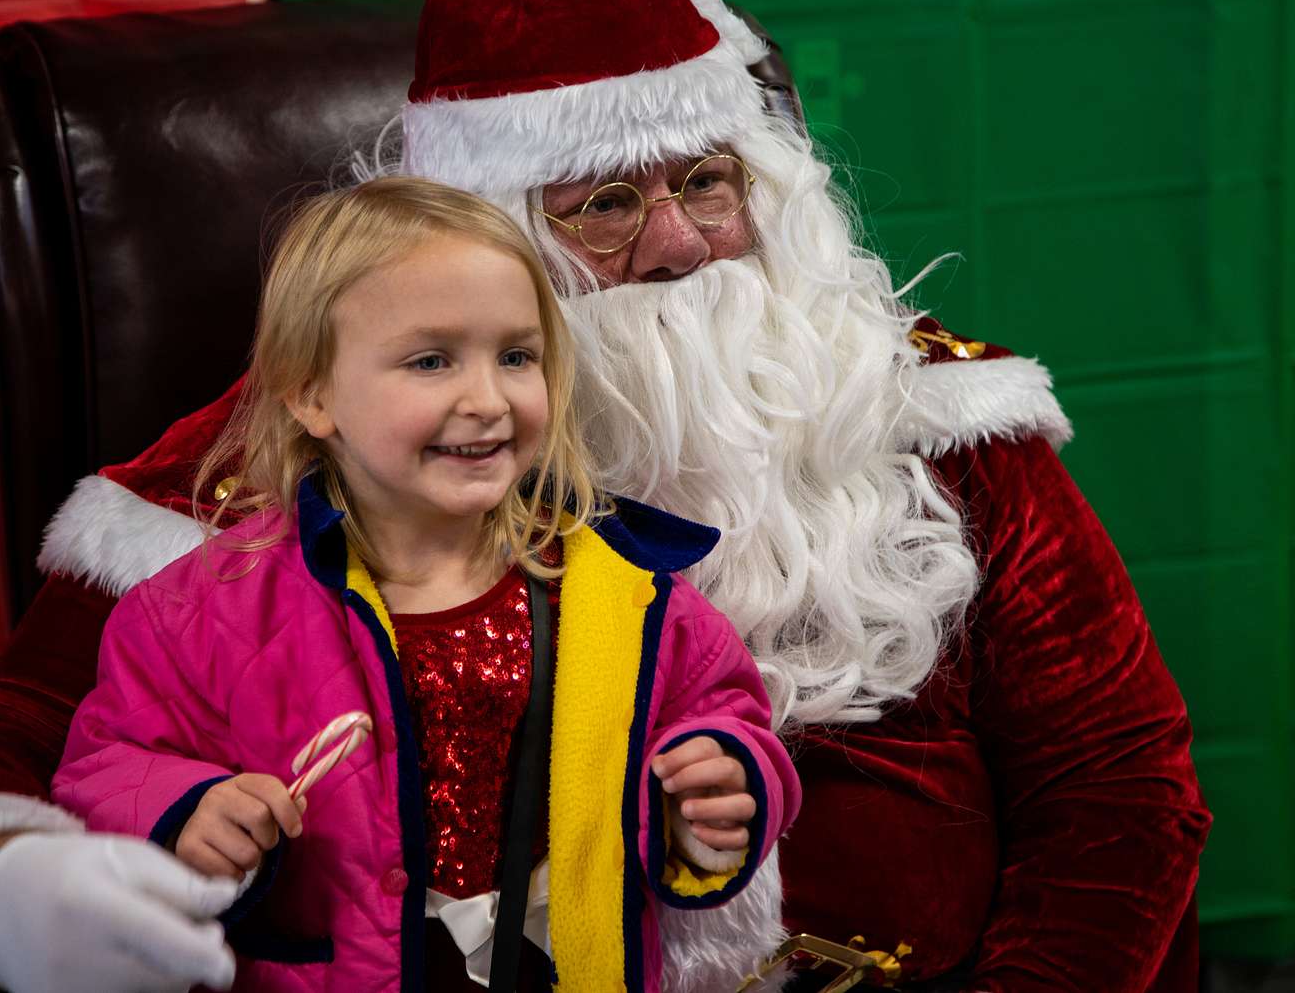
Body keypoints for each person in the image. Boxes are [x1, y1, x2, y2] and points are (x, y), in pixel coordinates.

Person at [0, 0, 1211, 992]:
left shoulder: (923, 400)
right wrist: (5, 884)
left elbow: (1121, 778)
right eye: (610, 204)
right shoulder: (320, 427)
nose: (685, 244)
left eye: (710, 181)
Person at [43, 176, 798, 993]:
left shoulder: (628, 593)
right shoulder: (201, 608)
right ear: (312, 393)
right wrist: (183, 810)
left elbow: (721, 711)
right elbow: (104, 765)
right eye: (431, 360)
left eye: (516, 356)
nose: (486, 398)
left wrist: (723, 783)